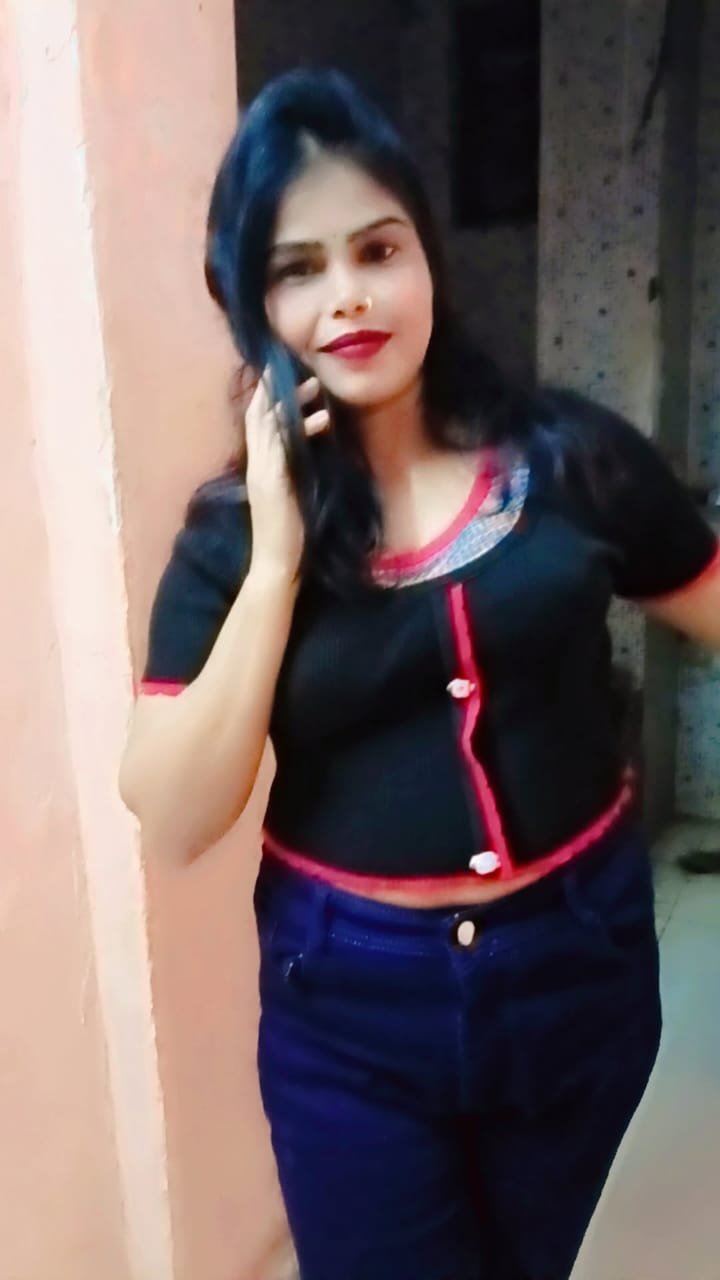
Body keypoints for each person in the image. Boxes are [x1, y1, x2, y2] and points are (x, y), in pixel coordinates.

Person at [119, 68, 720, 1280]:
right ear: (252, 305)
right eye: (298, 269)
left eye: (377, 249)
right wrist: (279, 560)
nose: (347, 295)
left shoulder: (572, 461)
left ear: (427, 259)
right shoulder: (230, 539)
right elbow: (176, 812)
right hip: (352, 1013)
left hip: (578, 966)